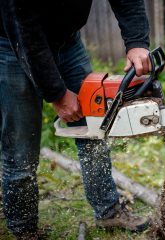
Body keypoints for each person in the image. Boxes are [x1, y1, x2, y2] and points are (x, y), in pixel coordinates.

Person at [0, 0, 152, 238]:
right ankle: (23, 229)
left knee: (94, 129)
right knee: (20, 149)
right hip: (13, 44)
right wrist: (57, 94)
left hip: (68, 41)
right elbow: (25, 30)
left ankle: (108, 212)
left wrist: (136, 43)